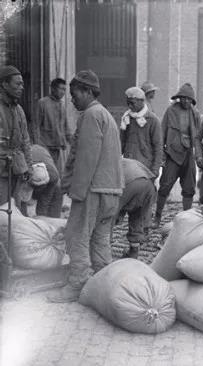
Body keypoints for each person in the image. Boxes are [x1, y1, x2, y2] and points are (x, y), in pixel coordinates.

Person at [48, 70, 123, 303]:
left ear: (88, 92)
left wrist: (75, 191)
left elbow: (86, 157)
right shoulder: (106, 115)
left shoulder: (91, 115)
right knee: (100, 239)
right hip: (111, 190)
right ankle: (103, 282)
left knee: (77, 236)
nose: (71, 99)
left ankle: (77, 284)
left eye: (75, 94)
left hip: (92, 189)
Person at [154, 83, 200, 227]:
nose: (186, 101)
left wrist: (198, 155)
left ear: (192, 100)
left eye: (189, 99)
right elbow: (162, 134)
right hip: (172, 154)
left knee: (189, 188)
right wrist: (161, 155)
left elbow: (197, 138)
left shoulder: (195, 114)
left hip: (188, 155)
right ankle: (157, 217)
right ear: (179, 98)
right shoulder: (171, 111)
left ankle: (186, 219)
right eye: (183, 98)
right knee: (164, 186)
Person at [0, 65, 33, 206]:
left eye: (22, 84)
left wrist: (29, 166)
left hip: (17, 169)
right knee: (2, 211)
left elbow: (25, 141)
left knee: (16, 212)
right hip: (1, 172)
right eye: (17, 84)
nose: (22, 87)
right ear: (5, 84)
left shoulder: (19, 110)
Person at [117, 158, 156, 259]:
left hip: (131, 183)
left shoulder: (109, 163)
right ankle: (133, 252)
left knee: (108, 217)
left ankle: (103, 252)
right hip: (149, 186)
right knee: (137, 217)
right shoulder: (126, 161)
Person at [120, 86, 163, 178]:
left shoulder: (153, 120)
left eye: (132, 103)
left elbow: (158, 147)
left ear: (141, 101)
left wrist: (155, 170)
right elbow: (121, 143)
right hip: (129, 166)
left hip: (145, 168)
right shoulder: (126, 118)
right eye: (128, 103)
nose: (130, 106)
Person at [32, 78, 72, 174]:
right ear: (53, 89)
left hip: (57, 147)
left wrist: (72, 142)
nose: (63, 92)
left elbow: (66, 127)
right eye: (61, 89)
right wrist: (38, 145)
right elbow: (35, 125)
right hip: (45, 146)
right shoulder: (42, 103)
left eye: (64, 90)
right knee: (46, 173)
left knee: (58, 174)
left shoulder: (62, 105)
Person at [21, 144, 63, 218]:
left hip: (47, 168)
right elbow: (22, 199)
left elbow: (45, 199)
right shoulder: (23, 170)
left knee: (58, 190)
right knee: (21, 200)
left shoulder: (53, 176)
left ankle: (52, 223)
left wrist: (41, 217)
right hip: (26, 165)